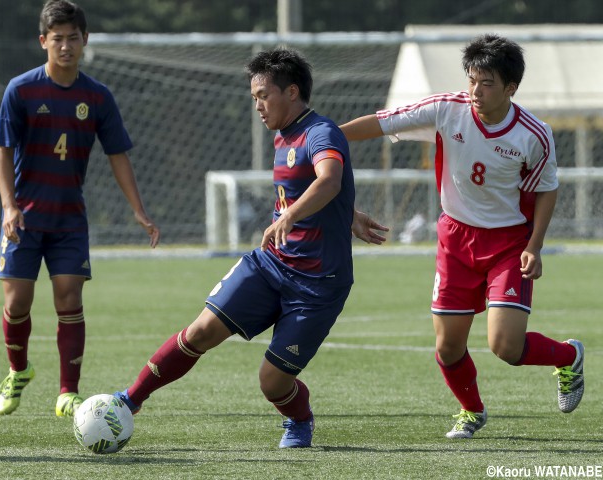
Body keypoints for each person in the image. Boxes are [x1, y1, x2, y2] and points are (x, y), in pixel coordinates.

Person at [114, 47, 364, 449]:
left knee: (272, 381)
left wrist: (289, 217)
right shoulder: (283, 136)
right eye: (254, 98)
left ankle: (299, 419)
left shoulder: (321, 131)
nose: (258, 106)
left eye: (264, 95)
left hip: (318, 284)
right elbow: (311, 189)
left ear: (293, 91)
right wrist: (349, 214)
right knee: (200, 331)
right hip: (271, 265)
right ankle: (129, 401)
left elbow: (329, 180)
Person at [339, 34, 584, 439]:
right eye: (471, 79)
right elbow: (384, 123)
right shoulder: (446, 110)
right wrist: (322, 136)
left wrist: (535, 246)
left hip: (508, 244)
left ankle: (568, 355)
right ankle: (471, 411)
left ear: (510, 88)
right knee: (448, 347)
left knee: (505, 346)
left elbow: (547, 188)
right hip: (455, 241)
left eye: (487, 83)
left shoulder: (533, 134)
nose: (475, 90)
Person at [0, 0, 160, 418]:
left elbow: (118, 154)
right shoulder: (21, 90)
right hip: (25, 219)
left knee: (69, 299)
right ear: (43, 42)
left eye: (73, 38)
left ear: (84, 40)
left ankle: (68, 391)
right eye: (57, 39)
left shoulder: (97, 97)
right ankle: (18, 369)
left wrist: (138, 210)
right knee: (17, 304)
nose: (65, 46)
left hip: (69, 219)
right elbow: (2, 150)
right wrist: (8, 206)